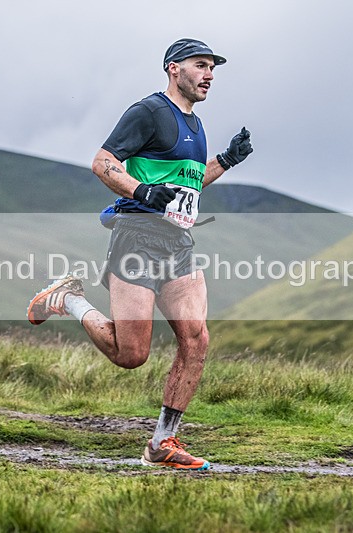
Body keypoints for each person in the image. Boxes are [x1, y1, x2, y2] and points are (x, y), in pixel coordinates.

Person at [27, 38, 253, 470]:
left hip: (179, 244)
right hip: (138, 238)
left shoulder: (197, 126)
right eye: (201, 65)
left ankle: (162, 443)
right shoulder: (148, 112)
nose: (209, 75)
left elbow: (184, 190)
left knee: (196, 339)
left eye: (213, 69)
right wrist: (140, 190)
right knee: (131, 355)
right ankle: (69, 299)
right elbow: (103, 162)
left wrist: (225, 161)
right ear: (174, 69)